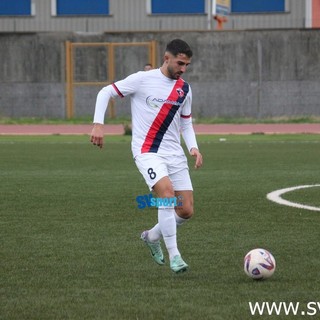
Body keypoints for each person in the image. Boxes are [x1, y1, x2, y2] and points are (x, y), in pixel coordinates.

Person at [90, 39, 203, 273]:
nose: (183, 69)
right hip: (147, 151)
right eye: (180, 63)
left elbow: (186, 122)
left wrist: (193, 147)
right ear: (166, 58)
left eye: (187, 65)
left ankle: (151, 237)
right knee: (166, 194)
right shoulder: (142, 79)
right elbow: (105, 92)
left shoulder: (184, 89)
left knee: (186, 210)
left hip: (175, 153)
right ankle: (175, 256)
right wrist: (98, 125)